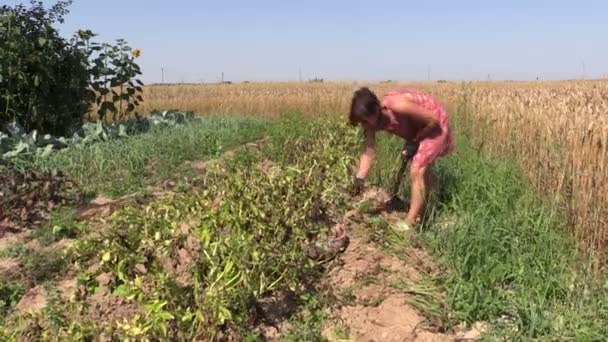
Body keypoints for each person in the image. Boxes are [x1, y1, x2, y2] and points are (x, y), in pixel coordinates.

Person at [349, 86, 454, 230]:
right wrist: (359, 178)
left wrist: (415, 141)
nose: (363, 125)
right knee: (420, 172)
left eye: (365, 121)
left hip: (435, 125)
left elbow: (432, 120)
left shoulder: (397, 105)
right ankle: (423, 215)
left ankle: (409, 223)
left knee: (417, 170)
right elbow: (369, 150)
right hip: (420, 129)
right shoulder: (371, 123)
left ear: (375, 109)